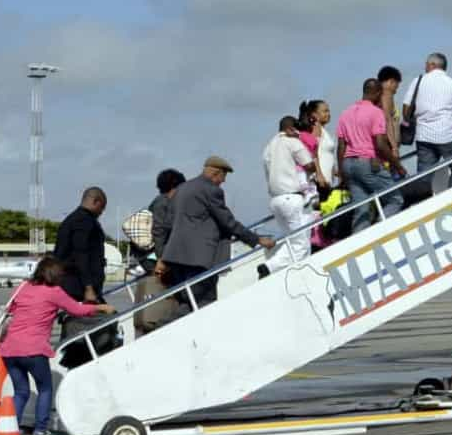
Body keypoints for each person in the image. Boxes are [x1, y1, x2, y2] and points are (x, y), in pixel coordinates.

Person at [0, 256, 115, 435]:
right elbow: (76, 309)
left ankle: (9, 430)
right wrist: (101, 307)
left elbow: (14, 310)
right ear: (56, 274)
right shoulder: (54, 292)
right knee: (45, 389)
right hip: (33, 349)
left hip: (9, 349)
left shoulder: (24, 287)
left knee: (21, 392)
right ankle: (40, 431)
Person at [158, 156, 272, 306]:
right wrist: (256, 239)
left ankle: (165, 327)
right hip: (199, 259)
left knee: (188, 301)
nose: (223, 182)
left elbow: (167, 224)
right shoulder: (211, 190)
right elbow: (228, 222)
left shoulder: (182, 189)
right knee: (204, 303)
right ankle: (163, 327)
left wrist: (162, 256)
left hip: (176, 258)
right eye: (223, 177)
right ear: (216, 174)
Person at [400, 53, 452, 198]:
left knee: (424, 177)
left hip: (423, 137)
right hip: (446, 136)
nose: (425, 66)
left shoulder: (418, 81)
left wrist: (414, 118)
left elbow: (406, 109)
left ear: (433, 65)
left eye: (427, 64)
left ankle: (421, 204)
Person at [339, 77, 406, 230]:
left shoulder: (346, 113)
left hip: (348, 164)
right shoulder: (376, 113)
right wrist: (398, 165)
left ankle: (359, 240)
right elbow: (381, 145)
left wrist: (342, 172)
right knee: (395, 199)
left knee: (361, 208)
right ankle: (378, 230)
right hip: (367, 163)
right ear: (377, 93)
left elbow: (341, 146)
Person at [54, 186, 114, 358]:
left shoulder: (72, 220)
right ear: (96, 202)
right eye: (101, 208)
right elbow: (81, 254)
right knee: (92, 326)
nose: (101, 213)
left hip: (74, 284)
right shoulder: (83, 221)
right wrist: (88, 286)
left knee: (81, 326)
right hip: (78, 287)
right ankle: (77, 359)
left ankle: (74, 357)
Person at [262, 115, 319, 274]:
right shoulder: (291, 142)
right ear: (290, 129)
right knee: (301, 245)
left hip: (276, 200)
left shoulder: (268, 147)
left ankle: (278, 268)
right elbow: (309, 165)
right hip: (291, 197)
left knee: (292, 241)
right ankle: (270, 267)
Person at [131, 168, 185, 334]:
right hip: (154, 257)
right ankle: (159, 324)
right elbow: (159, 233)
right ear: (175, 185)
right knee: (170, 290)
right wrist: (162, 260)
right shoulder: (163, 202)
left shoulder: (159, 201)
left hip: (154, 256)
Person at [297, 99, 337, 192]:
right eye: (325, 111)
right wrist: (319, 175)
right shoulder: (316, 128)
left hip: (327, 176)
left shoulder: (322, 130)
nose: (328, 114)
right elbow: (312, 152)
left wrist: (336, 172)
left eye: (329, 111)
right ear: (314, 114)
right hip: (319, 178)